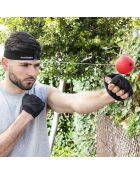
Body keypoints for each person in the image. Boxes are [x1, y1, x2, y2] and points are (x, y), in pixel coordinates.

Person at [0, 32, 133, 157]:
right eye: (24, 65)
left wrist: (109, 93)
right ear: (5, 63)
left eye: (36, 66)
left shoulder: (41, 92)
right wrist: (25, 116)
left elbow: (75, 101)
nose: (32, 73)